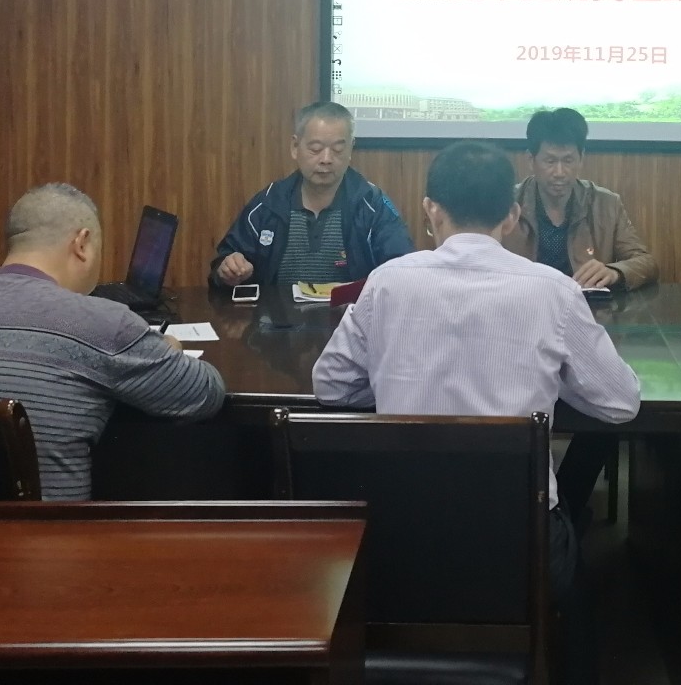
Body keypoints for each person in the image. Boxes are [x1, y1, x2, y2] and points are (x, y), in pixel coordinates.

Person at [313, 140, 641, 685]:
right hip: (518, 542)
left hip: (401, 534)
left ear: (430, 209)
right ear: (511, 216)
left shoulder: (388, 282)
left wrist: (397, 378)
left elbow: (330, 387)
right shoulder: (554, 291)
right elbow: (621, 402)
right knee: (579, 570)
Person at [0, 183, 225, 500]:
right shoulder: (102, 322)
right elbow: (204, 393)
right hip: (48, 531)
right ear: (81, 243)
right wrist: (168, 349)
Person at [503, 107, 657, 524]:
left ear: (582, 158)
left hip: (586, 330)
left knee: (611, 407)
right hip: (522, 330)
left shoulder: (605, 203)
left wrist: (616, 271)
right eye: (549, 161)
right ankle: (536, 504)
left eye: (568, 160)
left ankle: (568, 502)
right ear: (531, 160)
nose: (559, 172)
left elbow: (645, 260)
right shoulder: (508, 204)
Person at [209, 101, 413, 294]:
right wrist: (228, 270)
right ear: (295, 147)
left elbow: (404, 268)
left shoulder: (372, 204)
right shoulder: (269, 203)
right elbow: (223, 267)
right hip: (277, 318)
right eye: (315, 149)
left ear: (351, 148)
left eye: (338, 150)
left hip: (352, 317)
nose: (326, 159)